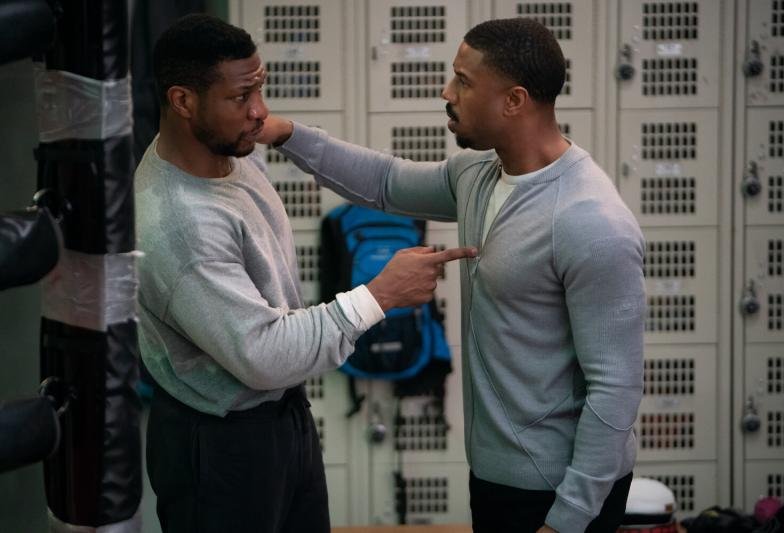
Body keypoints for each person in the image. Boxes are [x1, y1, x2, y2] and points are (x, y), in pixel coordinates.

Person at [261, 17, 646, 533]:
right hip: (495, 477)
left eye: (463, 81)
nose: (447, 92)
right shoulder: (480, 176)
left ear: (514, 100)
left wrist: (570, 518)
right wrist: (286, 134)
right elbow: (385, 181)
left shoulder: (591, 222)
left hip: (559, 493)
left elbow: (616, 387)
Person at [134, 14, 475, 533]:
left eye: (260, 88)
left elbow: (384, 181)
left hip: (280, 416)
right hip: (221, 442)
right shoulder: (180, 226)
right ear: (182, 101)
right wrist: (377, 296)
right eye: (240, 97)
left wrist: (291, 135)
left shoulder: (227, 149)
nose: (259, 111)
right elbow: (264, 355)